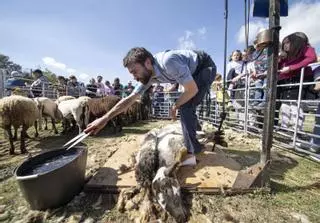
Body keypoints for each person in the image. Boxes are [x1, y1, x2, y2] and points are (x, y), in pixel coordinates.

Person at [85, 47, 216, 166]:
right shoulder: (148, 75)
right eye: (131, 73)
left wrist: (175, 106)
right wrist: (104, 119)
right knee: (187, 104)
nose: (134, 77)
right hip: (190, 70)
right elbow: (130, 99)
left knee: (186, 105)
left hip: (204, 67)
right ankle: (197, 135)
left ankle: (193, 152)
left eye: (135, 72)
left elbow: (192, 90)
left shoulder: (169, 62)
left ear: (147, 63)